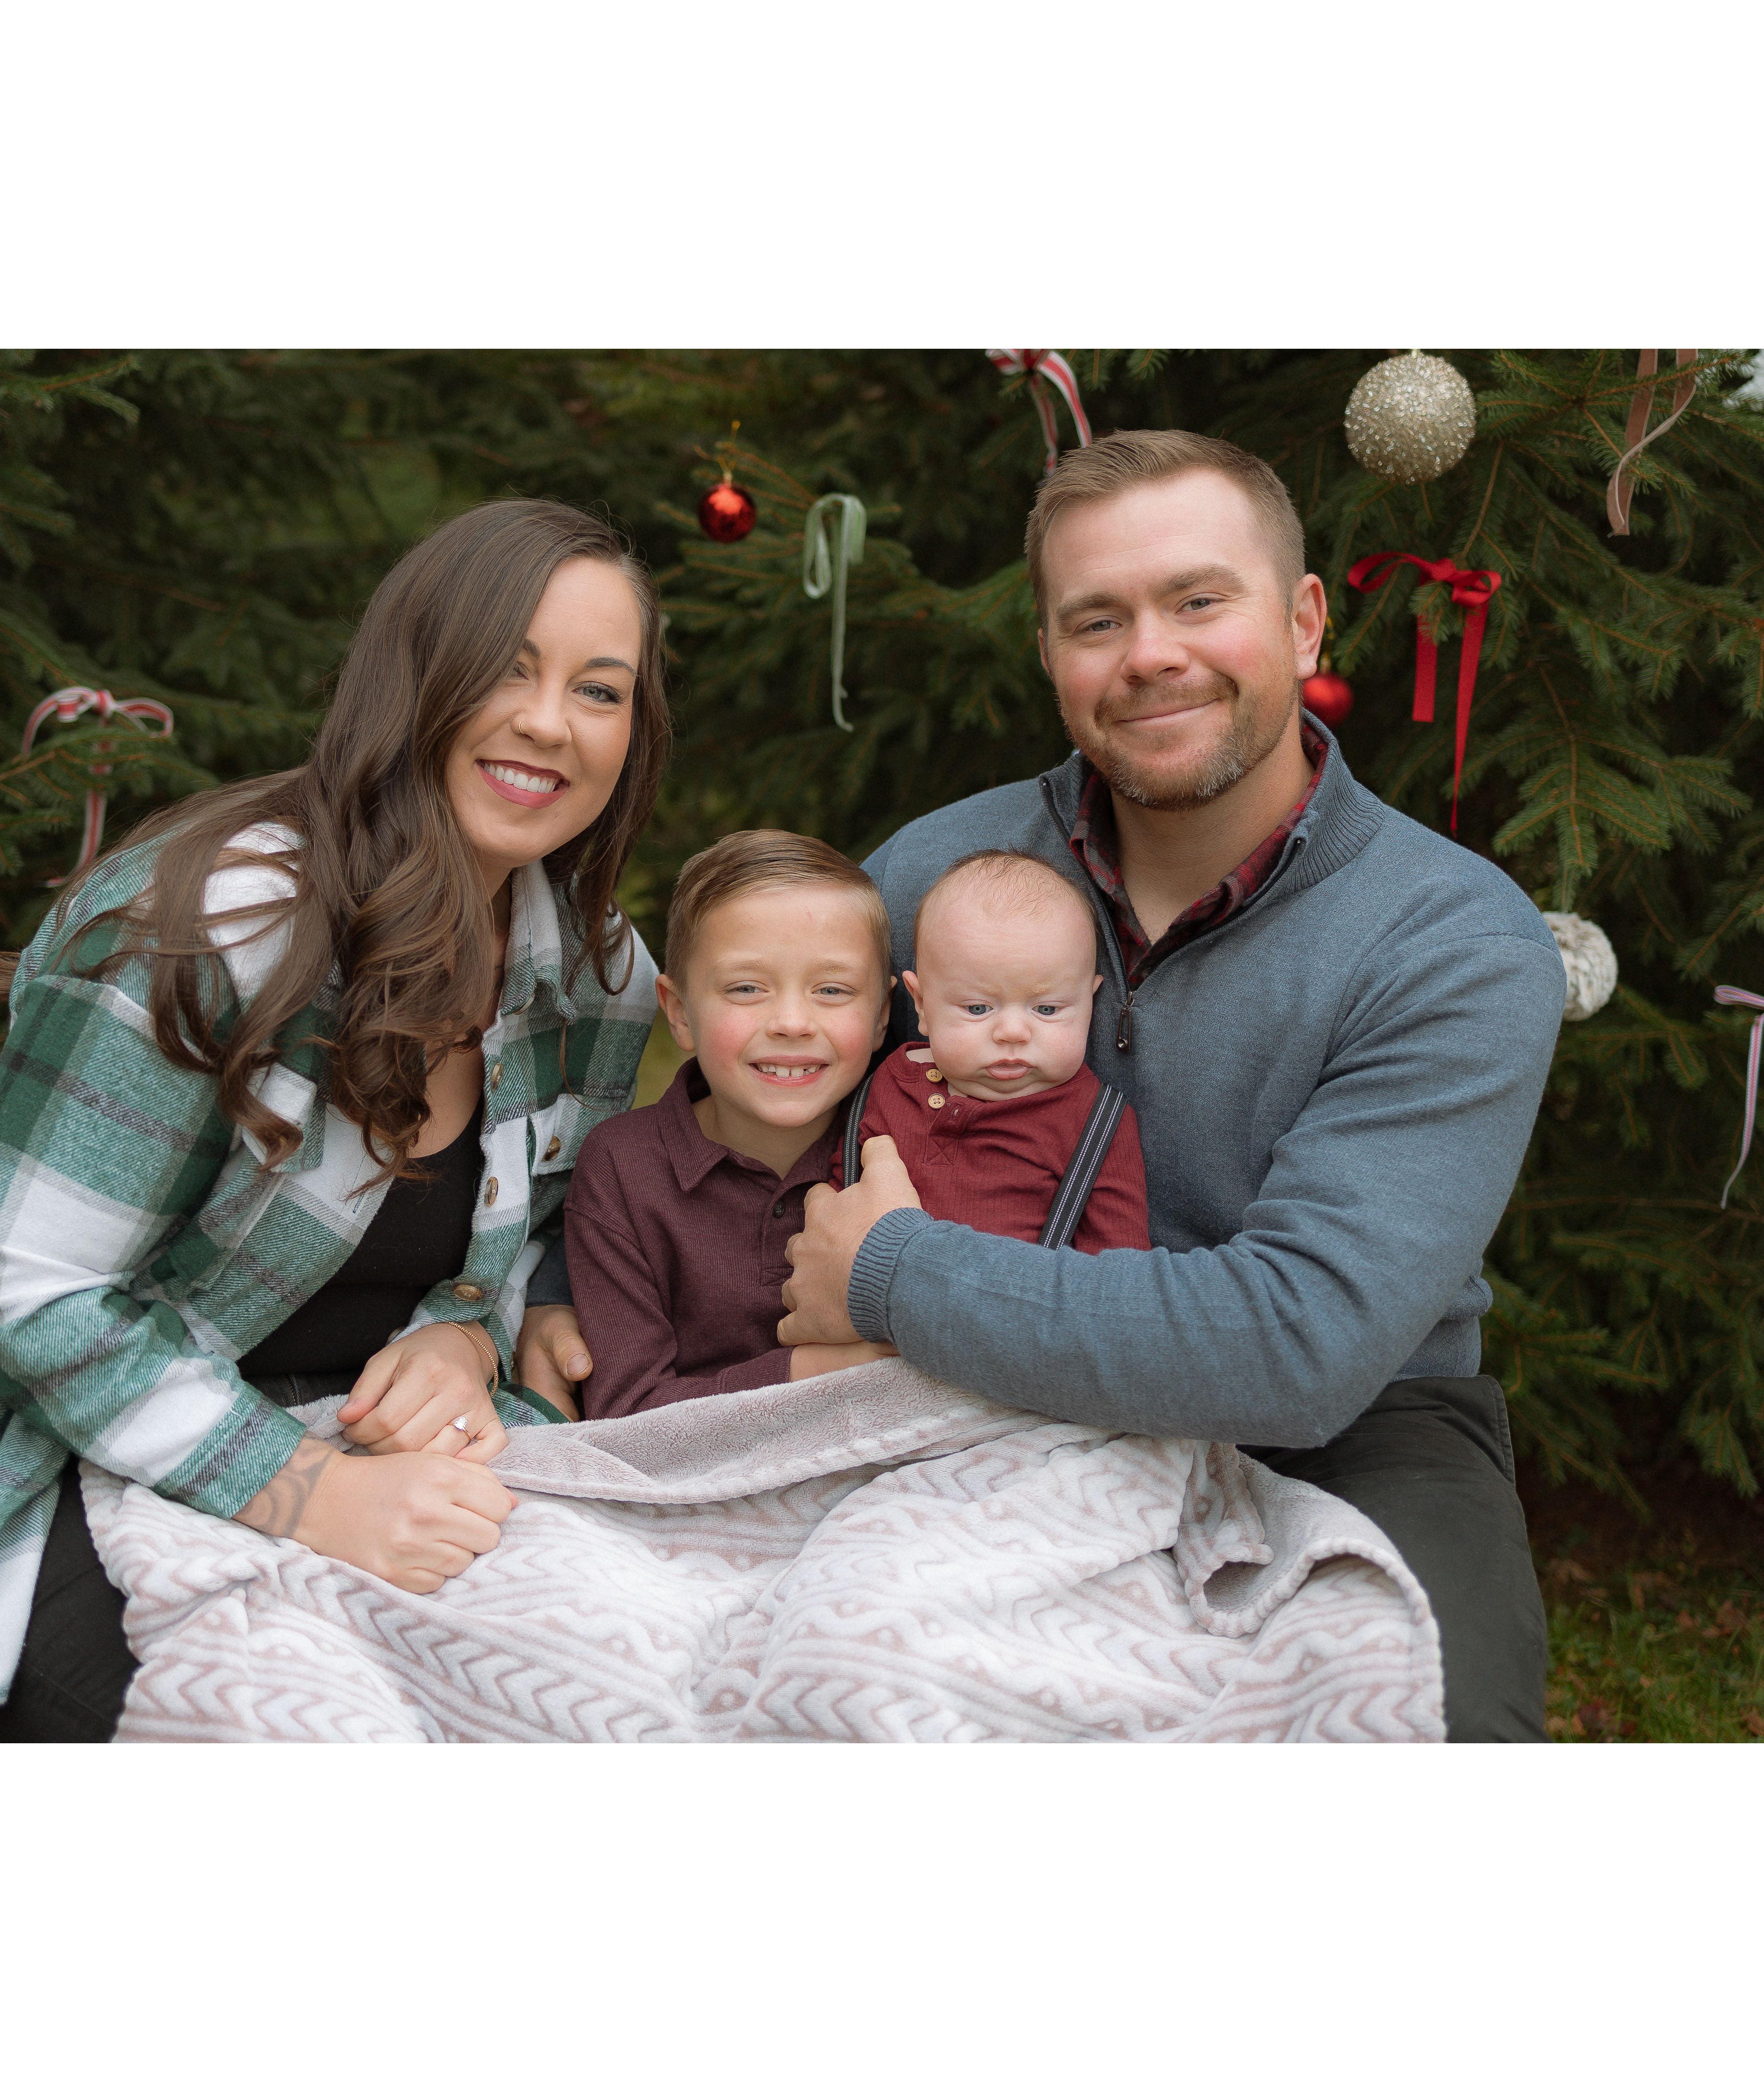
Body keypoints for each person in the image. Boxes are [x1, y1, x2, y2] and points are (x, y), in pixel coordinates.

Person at [775, 429, 1569, 1742]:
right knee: (779, 1667)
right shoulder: (934, 877)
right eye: (1097, 619)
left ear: (1302, 621)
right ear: (1050, 654)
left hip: (1351, 1425)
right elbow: (736, 1110)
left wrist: (896, 1276)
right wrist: (554, 1292)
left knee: (1437, 1721)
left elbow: (1300, 1346)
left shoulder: (1447, 939)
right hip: (961, 1399)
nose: (1149, 653)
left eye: (1198, 600)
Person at [0, 498, 668, 1741]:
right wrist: (304, 1493)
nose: (549, 722)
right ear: (412, 678)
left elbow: (551, 1228)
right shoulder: (209, 925)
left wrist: (465, 1332)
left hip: (367, 1448)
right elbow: (9, 1285)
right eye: (506, 668)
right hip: (42, 1464)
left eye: (599, 691)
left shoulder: (597, 974)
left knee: (610, 1695)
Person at [564, 830, 897, 1417]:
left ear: (880, 1017)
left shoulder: (905, 1148)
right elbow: (627, 1408)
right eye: (746, 988)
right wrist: (817, 1371)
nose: (791, 1021)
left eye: (831, 989)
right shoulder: (622, 1167)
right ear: (679, 1013)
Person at [838, 847, 1148, 1257]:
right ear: (921, 1005)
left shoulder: (1096, 1123)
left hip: (1017, 1298)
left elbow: (1120, 1270)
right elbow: (837, 1196)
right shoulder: (889, 1084)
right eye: (977, 1008)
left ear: (1089, 1002)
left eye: (1047, 1009)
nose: (1012, 1033)